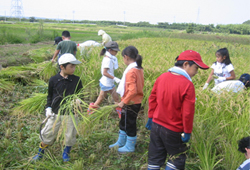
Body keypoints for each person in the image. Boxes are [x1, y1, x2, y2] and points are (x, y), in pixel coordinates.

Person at [145, 50, 209, 170]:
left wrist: (150, 117)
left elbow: (152, 98)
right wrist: (187, 131)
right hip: (173, 130)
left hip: (156, 126)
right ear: (185, 64)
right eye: (196, 68)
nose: (196, 72)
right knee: (177, 159)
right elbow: (188, 112)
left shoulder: (162, 77)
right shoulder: (187, 85)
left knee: (155, 157)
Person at [32, 53, 83, 162]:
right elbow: (50, 95)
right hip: (55, 112)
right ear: (62, 67)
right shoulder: (53, 80)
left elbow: (81, 95)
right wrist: (48, 108)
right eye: (71, 66)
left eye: (74, 66)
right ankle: (40, 153)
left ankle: (66, 153)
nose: (74, 68)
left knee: (70, 135)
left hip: (70, 113)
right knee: (48, 133)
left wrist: (78, 100)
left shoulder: (77, 80)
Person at [109, 46, 144, 154]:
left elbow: (132, 90)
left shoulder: (131, 71)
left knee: (129, 123)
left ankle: (130, 146)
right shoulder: (138, 68)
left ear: (126, 57)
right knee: (124, 121)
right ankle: (121, 141)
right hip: (133, 101)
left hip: (131, 102)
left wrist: (123, 102)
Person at [87, 41, 121, 118]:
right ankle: (91, 110)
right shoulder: (108, 60)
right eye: (115, 51)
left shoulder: (111, 58)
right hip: (106, 83)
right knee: (100, 99)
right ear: (110, 50)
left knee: (116, 98)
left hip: (109, 82)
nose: (116, 52)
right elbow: (104, 73)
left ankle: (120, 112)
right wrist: (115, 78)